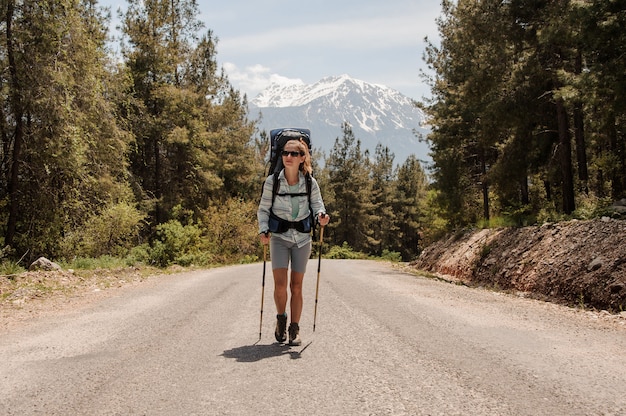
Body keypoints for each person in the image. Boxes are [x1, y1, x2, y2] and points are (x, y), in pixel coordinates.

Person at [257, 137, 330, 346]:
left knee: (296, 286)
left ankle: (294, 329)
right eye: (285, 153)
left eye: (294, 154)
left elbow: (318, 206)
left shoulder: (309, 182)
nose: (288, 157)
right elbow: (263, 209)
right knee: (280, 286)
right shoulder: (273, 181)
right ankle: (281, 319)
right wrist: (263, 230)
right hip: (279, 238)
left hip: (302, 239)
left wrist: (322, 217)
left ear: (302, 158)